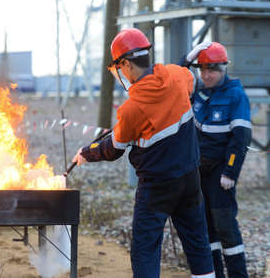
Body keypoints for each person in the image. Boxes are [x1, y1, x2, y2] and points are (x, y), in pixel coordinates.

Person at [72, 28, 215, 278]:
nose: (118, 74)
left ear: (125, 64)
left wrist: (87, 152)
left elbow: (114, 148)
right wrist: (186, 60)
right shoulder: (175, 75)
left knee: (145, 250)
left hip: (157, 188)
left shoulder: (133, 109)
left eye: (117, 68)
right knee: (198, 244)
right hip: (190, 178)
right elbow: (182, 77)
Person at [182, 42, 252, 278]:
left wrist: (231, 172)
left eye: (212, 69)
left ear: (223, 69)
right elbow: (177, 78)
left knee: (226, 227)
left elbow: (240, 138)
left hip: (221, 172)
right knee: (205, 227)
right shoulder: (199, 92)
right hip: (199, 171)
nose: (206, 75)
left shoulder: (236, 95)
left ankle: (238, 275)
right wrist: (188, 58)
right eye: (202, 69)